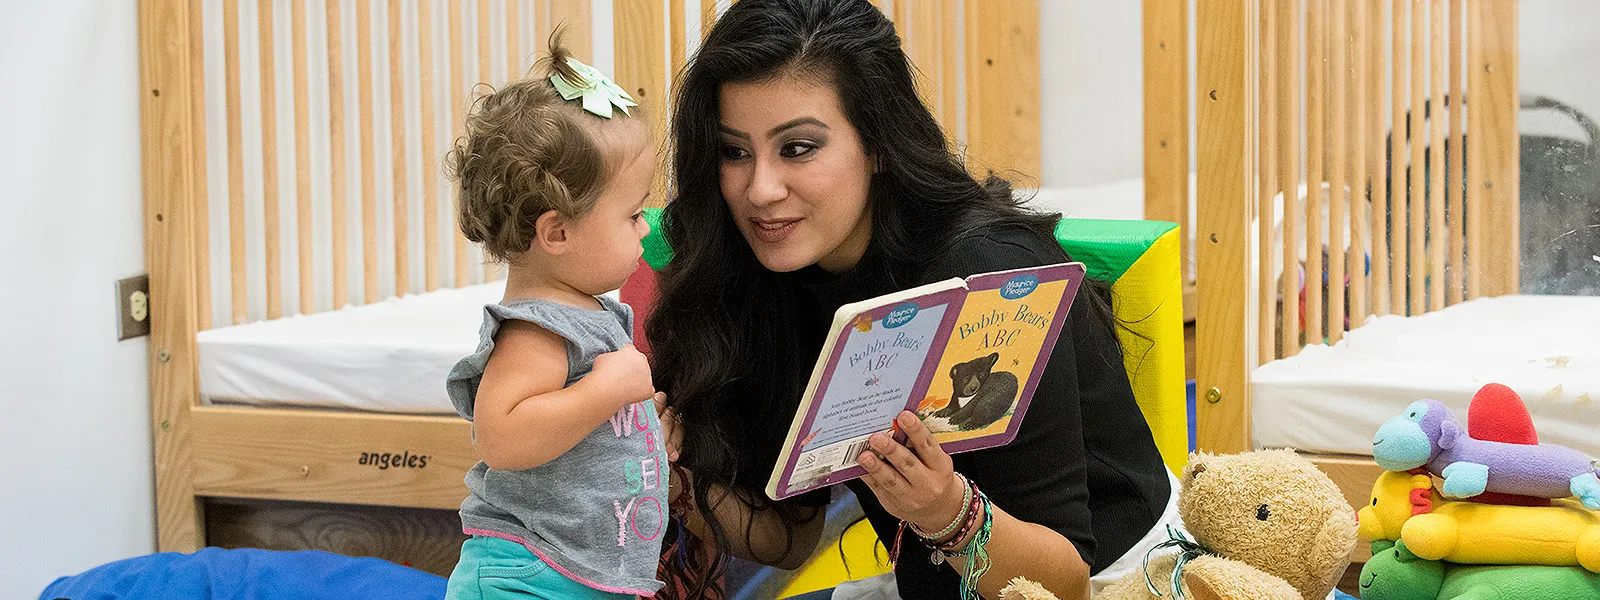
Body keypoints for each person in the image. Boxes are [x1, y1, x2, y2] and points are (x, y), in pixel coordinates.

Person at [646, 1, 1183, 598]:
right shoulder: (771, 277)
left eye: (798, 147)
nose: (760, 189)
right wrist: (675, 477)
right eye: (733, 152)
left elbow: (1063, 581)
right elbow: (789, 538)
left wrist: (945, 509)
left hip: (1118, 577)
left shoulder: (992, 274)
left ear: (876, 141)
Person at [441, 35, 671, 600]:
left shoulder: (588, 310)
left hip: (579, 572)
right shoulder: (537, 327)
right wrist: (607, 392)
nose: (646, 227)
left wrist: (641, 426)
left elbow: (580, 429)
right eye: (633, 213)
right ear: (558, 233)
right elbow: (502, 436)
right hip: (529, 575)